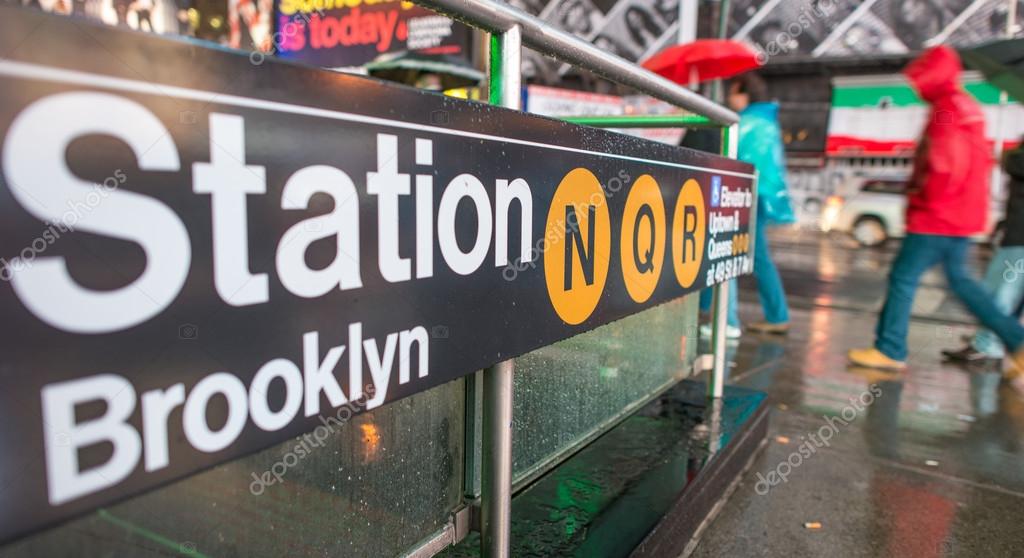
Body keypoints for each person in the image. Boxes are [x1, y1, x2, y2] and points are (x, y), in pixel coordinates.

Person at [848, 46, 1024, 386]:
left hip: (938, 216)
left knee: (903, 278)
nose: (915, 87)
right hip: (961, 215)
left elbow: (946, 164)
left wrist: (923, 197)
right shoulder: (967, 106)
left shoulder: (947, 109)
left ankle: (890, 349)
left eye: (918, 80)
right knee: (963, 284)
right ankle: (1017, 343)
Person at [699, 72, 795, 339]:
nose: (729, 99)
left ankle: (727, 322)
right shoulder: (766, 121)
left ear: (743, 91)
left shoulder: (750, 123)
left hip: (746, 196)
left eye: (731, 92)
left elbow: (732, 159)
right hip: (760, 196)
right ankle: (774, 315)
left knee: (726, 250)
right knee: (751, 255)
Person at [941, 139, 1024, 365]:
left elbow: (1014, 162)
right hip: (1016, 233)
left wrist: (1009, 153)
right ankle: (998, 342)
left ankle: (987, 346)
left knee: (998, 293)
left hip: (1020, 238)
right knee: (1012, 297)